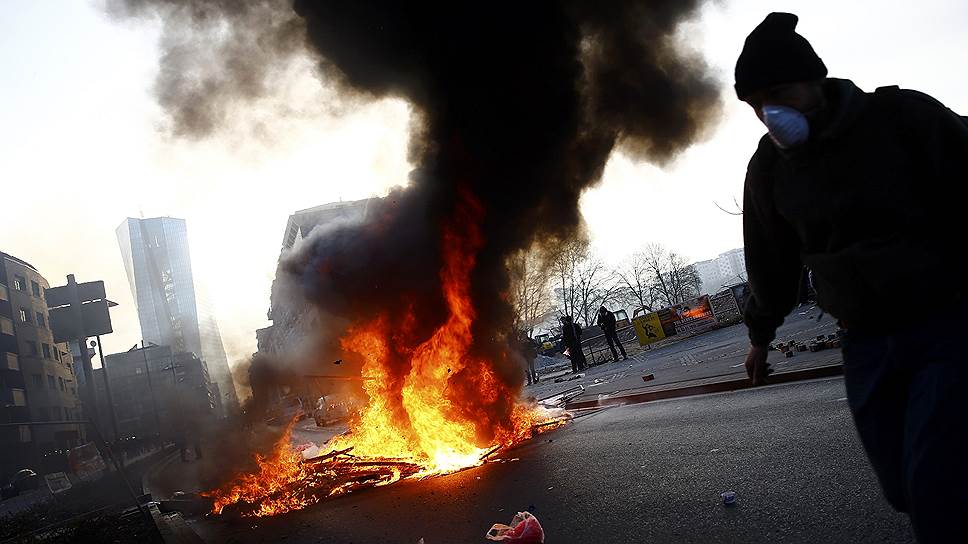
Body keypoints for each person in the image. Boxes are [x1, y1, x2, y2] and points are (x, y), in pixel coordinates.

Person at [735, 12, 968, 542]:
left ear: (815, 79)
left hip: (944, 323)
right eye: (754, 105)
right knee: (901, 484)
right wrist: (760, 335)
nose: (770, 113)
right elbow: (771, 259)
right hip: (865, 342)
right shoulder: (770, 169)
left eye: (779, 92)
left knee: (938, 484)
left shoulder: (903, 118)